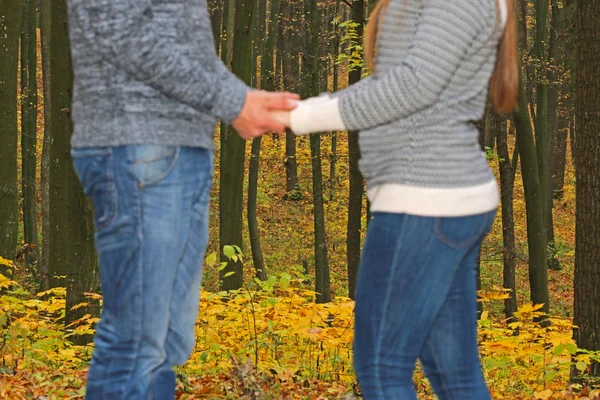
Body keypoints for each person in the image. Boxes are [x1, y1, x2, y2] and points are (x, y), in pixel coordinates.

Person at [272, 0, 518, 398]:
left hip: (424, 200)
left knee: (381, 366)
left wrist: (297, 119)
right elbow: (395, 81)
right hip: (436, 200)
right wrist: (301, 110)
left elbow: (414, 85)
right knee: (455, 375)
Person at [66, 1, 298, 399]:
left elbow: (189, 51)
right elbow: (121, 32)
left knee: (168, 342)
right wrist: (232, 101)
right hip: (136, 144)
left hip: (183, 149)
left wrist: (242, 97)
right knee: (136, 341)